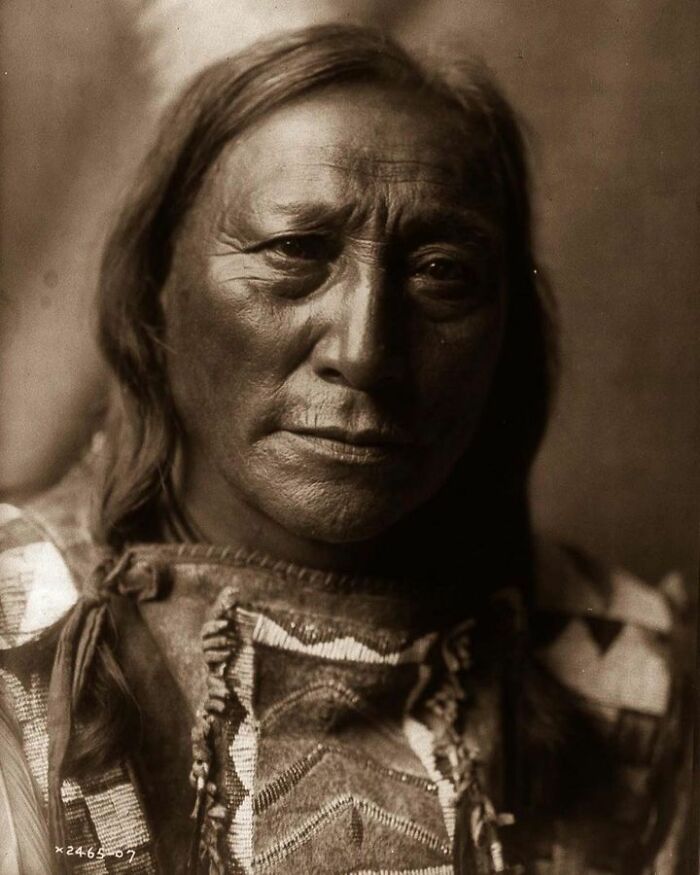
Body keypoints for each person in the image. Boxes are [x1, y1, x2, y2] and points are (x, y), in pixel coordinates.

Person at [0, 23, 692, 875]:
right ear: (156, 298)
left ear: (508, 334)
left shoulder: (636, 673)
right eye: (295, 251)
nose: (365, 353)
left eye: (441, 271)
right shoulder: (14, 634)